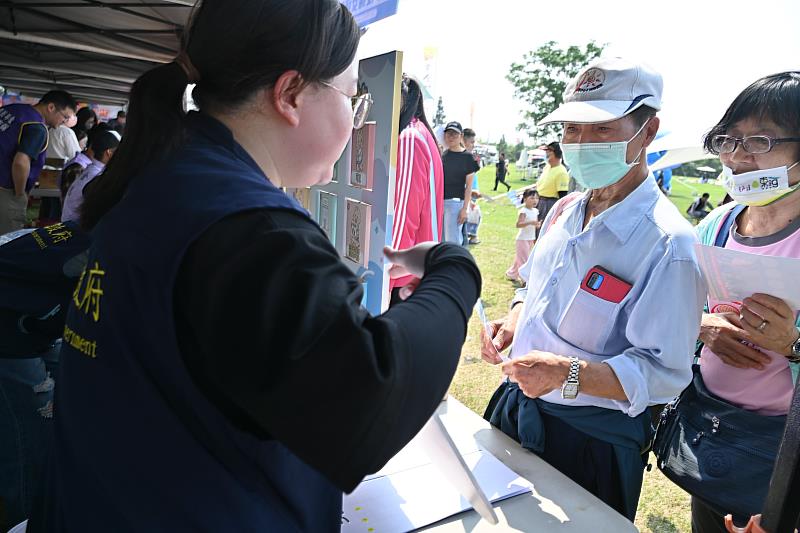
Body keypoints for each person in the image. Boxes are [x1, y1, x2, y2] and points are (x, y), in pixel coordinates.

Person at [30, 1, 481, 530]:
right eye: (352, 99)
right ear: (290, 94)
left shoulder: (165, 176)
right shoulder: (250, 228)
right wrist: (455, 269)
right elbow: (368, 403)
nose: (355, 122)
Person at [480, 57, 706, 521]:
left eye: (601, 129)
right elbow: (535, 289)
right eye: (571, 129)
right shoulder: (564, 211)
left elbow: (663, 372)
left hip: (590, 441)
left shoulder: (669, 243)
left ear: (647, 132)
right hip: (517, 408)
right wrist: (516, 317)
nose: (581, 143)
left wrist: (568, 373)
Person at [682, 71, 800, 532]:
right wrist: (704, 325)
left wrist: (792, 342)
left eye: (761, 141)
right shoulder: (718, 224)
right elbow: (678, 304)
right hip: (712, 428)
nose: (738, 156)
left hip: (783, 450)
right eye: (729, 140)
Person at [390, 74, 443, 303]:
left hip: (403, 274)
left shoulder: (410, 137)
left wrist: (388, 267)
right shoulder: (420, 132)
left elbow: (404, 215)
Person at [0, 90, 77, 234]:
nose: (64, 122)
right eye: (65, 117)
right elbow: (21, 162)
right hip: (4, 190)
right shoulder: (37, 127)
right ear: (51, 107)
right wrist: (19, 193)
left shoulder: (12, 109)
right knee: (6, 244)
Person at [60, 129, 120, 222]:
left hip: (70, 224)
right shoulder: (97, 176)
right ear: (109, 153)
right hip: (76, 230)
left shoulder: (90, 170)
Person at [441, 120, 479, 245]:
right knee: (441, 241)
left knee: (453, 241)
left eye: (455, 134)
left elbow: (468, 187)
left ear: (461, 136)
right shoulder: (443, 155)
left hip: (455, 203)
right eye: (448, 133)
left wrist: (465, 209)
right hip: (440, 202)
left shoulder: (468, 157)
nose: (451, 137)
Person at [505, 189, 540, 282]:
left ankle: (511, 273)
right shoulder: (523, 211)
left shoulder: (536, 211)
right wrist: (530, 222)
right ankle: (525, 280)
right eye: (532, 198)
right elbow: (519, 224)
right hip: (522, 239)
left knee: (520, 258)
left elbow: (535, 225)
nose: (535, 200)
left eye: (537, 198)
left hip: (530, 238)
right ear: (525, 199)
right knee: (524, 259)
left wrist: (537, 224)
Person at [535, 141, 570, 225]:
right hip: (539, 201)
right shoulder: (547, 167)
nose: (546, 153)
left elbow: (562, 196)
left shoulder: (561, 172)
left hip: (549, 204)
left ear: (556, 153)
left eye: (549, 151)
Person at [463, 127, 483, 244]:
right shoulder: (463, 159)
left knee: (475, 216)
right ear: (464, 142)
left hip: (472, 195)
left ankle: (472, 236)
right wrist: (469, 199)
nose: (473, 145)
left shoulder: (470, 158)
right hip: (466, 198)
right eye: (471, 142)